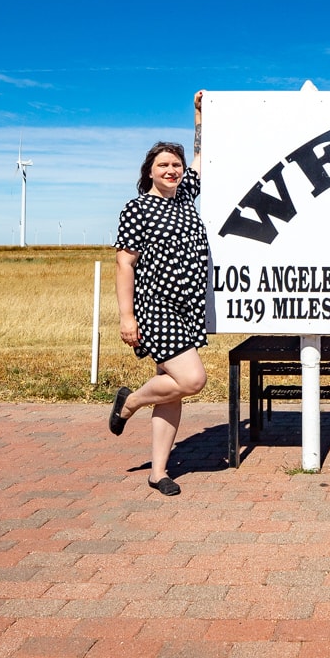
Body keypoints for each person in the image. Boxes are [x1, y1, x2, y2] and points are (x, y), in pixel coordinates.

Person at [108, 91, 207, 496]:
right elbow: (124, 264)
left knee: (174, 390)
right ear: (149, 170)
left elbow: (202, 156)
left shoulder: (186, 199)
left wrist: (199, 117)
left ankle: (158, 472)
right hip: (156, 308)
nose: (172, 170)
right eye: (163, 164)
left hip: (188, 308)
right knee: (192, 379)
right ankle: (130, 402)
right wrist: (126, 317)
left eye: (176, 165)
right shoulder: (137, 209)